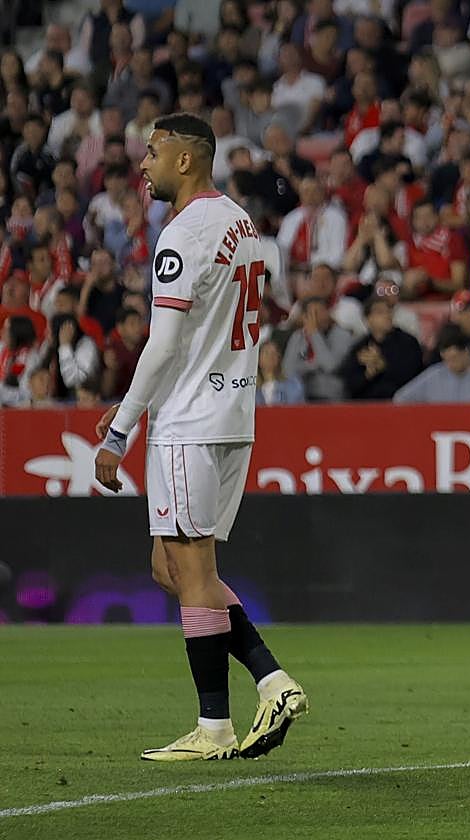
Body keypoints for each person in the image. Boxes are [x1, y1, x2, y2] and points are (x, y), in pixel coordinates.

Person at [93, 112, 308, 762]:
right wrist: (136, 402)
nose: (144, 164)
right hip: (231, 413)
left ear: (185, 159)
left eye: (153, 152)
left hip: (188, 423)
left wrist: (120, 431)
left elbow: (164, 343)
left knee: (193, 571)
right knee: (171, 568)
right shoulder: (243, 224)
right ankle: (236, 708)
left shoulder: (183, 232)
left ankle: (249, 698)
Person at [338, 296, 424, 400]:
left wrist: (383, 366)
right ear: (368, 319)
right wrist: (368, 374)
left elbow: (414, 377)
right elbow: (349, 385)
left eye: (389, 311)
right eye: (380, 312)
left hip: (400, 402)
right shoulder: (360, 347)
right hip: (367, 404)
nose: (387, 315)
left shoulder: (408, 342)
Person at [392, 323, 470, 403]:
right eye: (447, 359)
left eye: (455, 358)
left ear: (467, 351)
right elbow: (400, 398)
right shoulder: (434, 375)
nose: (451, 364)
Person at [283, 296, 354, 401]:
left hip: (332, 398)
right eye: (314, 313)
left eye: (322, 311)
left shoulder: (342, 335)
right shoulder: (298, 336)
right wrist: (314, 365)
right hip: (302, 396)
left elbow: (330, 366)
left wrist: (314, 334)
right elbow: (288, 371)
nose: (320, 317)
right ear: (305, 317)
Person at [257, 339, 305, 405]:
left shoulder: (293, 385)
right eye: (266, 353)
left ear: (279, 358)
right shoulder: (250, 387)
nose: (270, 356)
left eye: (274, 353)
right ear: (258, 359)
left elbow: (299, 408)